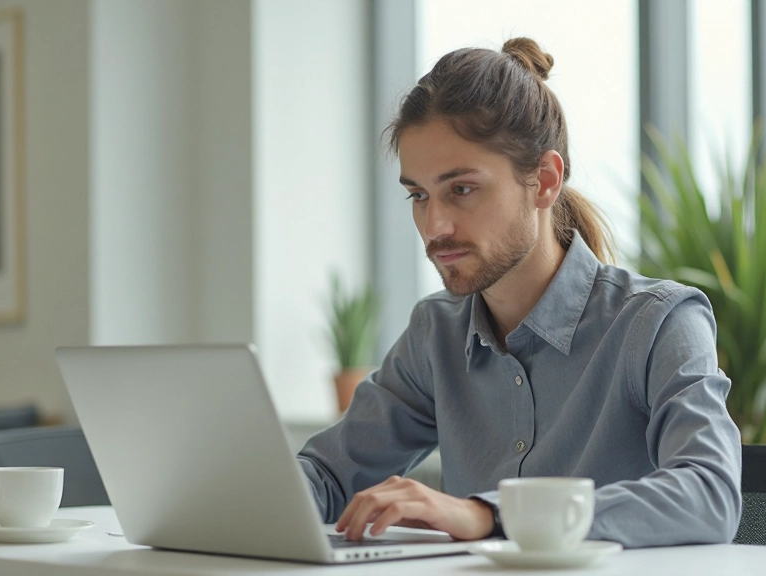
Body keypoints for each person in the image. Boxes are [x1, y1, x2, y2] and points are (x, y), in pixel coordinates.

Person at [297, 37, 742, 549]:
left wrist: (490, 515)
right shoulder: (436, 333)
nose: (434, 225)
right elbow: (327, 474)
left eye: (461, 189)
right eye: (418, 195)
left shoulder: (659, 323)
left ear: (545, 181)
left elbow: (711, 495)